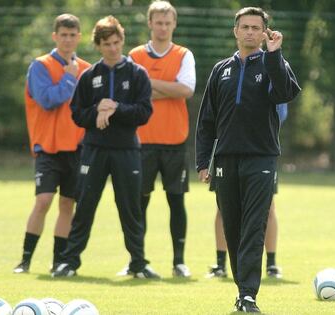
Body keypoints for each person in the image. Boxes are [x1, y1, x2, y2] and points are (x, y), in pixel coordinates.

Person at [196, 7, 300, 313]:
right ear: (236, 31)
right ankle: (243, 291)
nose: (251, 32)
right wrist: (203, 162)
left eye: (257, 27)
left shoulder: (273, 64)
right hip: (225, 160)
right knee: (233, 228)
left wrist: (275, 54)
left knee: (255, 225)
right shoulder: (220, 70)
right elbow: (206, 121)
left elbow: (284, 93)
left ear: (265, 33)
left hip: (261, 158)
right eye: (245, 27)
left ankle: (248, 294)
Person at [52, 15, 159, 279]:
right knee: (85, 205)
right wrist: (97, 109)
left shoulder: (137, 74)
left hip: (127, 150)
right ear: (98, 45)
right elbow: (77, 114)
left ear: (122, 40)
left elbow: (144, 112)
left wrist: (116, 108)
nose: (113, 47)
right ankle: (69, 262)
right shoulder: (89, 76)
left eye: (116, 41)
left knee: (130, 208)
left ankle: (138, 263)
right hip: (94, 149)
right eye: (107, 43)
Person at [118, 0, 196, 278]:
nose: (163, 27)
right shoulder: (135, 55)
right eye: (158, 22)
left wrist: (148, 85)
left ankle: (179, 262)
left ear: (174, 24)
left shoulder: (184, 54)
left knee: (176, 201)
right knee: (138, 203)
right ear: (149, 23)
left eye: (167, 22)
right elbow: (128, 95)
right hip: (141, 141)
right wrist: (169, 89)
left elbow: (186, 89)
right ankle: (136, 261)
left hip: (175, 141)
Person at [14, 14, 90, 274]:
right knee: (44, 200)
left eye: (72, 35)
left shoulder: (86, 68)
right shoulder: (40, 66)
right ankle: (25, 260)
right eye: (63, 35)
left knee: (68, 204)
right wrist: (69, 78)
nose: (68, 40)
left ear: (79, 37)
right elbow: (47, 100)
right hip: (47, 147)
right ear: (54, 36)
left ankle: (59, 261)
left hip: (76, 149)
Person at [207, 104, 288, 279]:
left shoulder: (271, 77)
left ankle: (271, 264)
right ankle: (220, 264)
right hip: (227, 150)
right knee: (223, 207)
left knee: (268, 208)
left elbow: (281, 112)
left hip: (260, 152)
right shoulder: (223, 76)